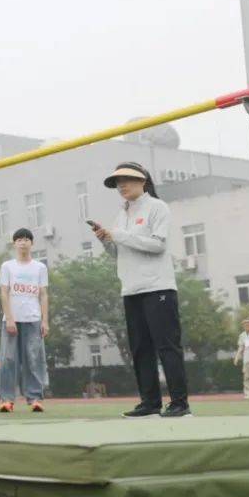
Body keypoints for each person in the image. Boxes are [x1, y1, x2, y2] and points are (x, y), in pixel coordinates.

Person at [92, 162, 191, 418]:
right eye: (117, 182)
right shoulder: (121, 215)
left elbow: (157, 245)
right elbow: (118, 252)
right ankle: (150, 403)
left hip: (158, 286)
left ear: (143, 181)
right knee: (140, 349)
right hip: (131, 289)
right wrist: (106, 240)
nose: (121, 185)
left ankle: (180, 403)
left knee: (167, 346)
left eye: (127, 179)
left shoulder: (157, 207)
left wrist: (119, 235)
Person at [0, 227, 50, 414]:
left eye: (27, 239)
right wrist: (9, 318)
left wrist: (45, 321)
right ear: (14, 243)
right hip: (11, 320)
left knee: (33, 359)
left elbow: (43, 295)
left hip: (33, 319)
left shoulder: (40, 267)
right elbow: (4, 293)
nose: (23, 242)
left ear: (32, 243)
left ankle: (35, 398)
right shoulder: (7, 266)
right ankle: (7, 400)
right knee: (8, 359)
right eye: (19, 239)